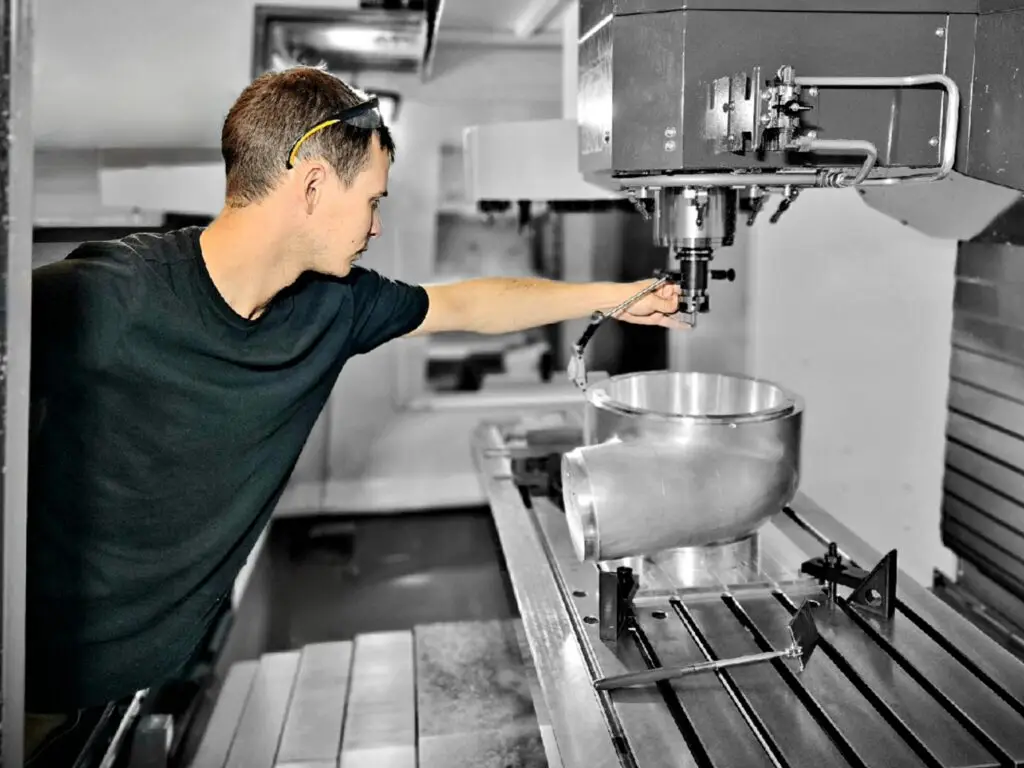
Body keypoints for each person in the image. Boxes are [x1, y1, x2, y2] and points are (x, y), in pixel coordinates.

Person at [24, 66, 684, 764]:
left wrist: (614, 296)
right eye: (372, 201)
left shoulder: (333, 307)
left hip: (125, 683)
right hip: (30, 683)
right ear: (311, 185)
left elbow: (469, 304)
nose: (375, 225)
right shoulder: (111, 298)